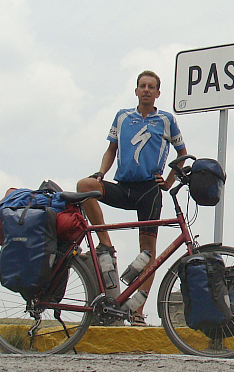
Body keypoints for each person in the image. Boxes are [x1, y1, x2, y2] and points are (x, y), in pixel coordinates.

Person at [77, 70, 188, 326]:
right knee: (84, 186)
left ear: (158, 93)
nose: (146, 90)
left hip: (149, 191)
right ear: (136, 90)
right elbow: (110, 150)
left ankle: (137, 312)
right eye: (142, 86)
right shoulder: (122, 117)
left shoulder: (167, 120)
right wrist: (101, 173)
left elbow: (182, 154)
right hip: (123, 186)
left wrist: (169, 181)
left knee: (148, 253)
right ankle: (105, 244)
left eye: (151, 87)